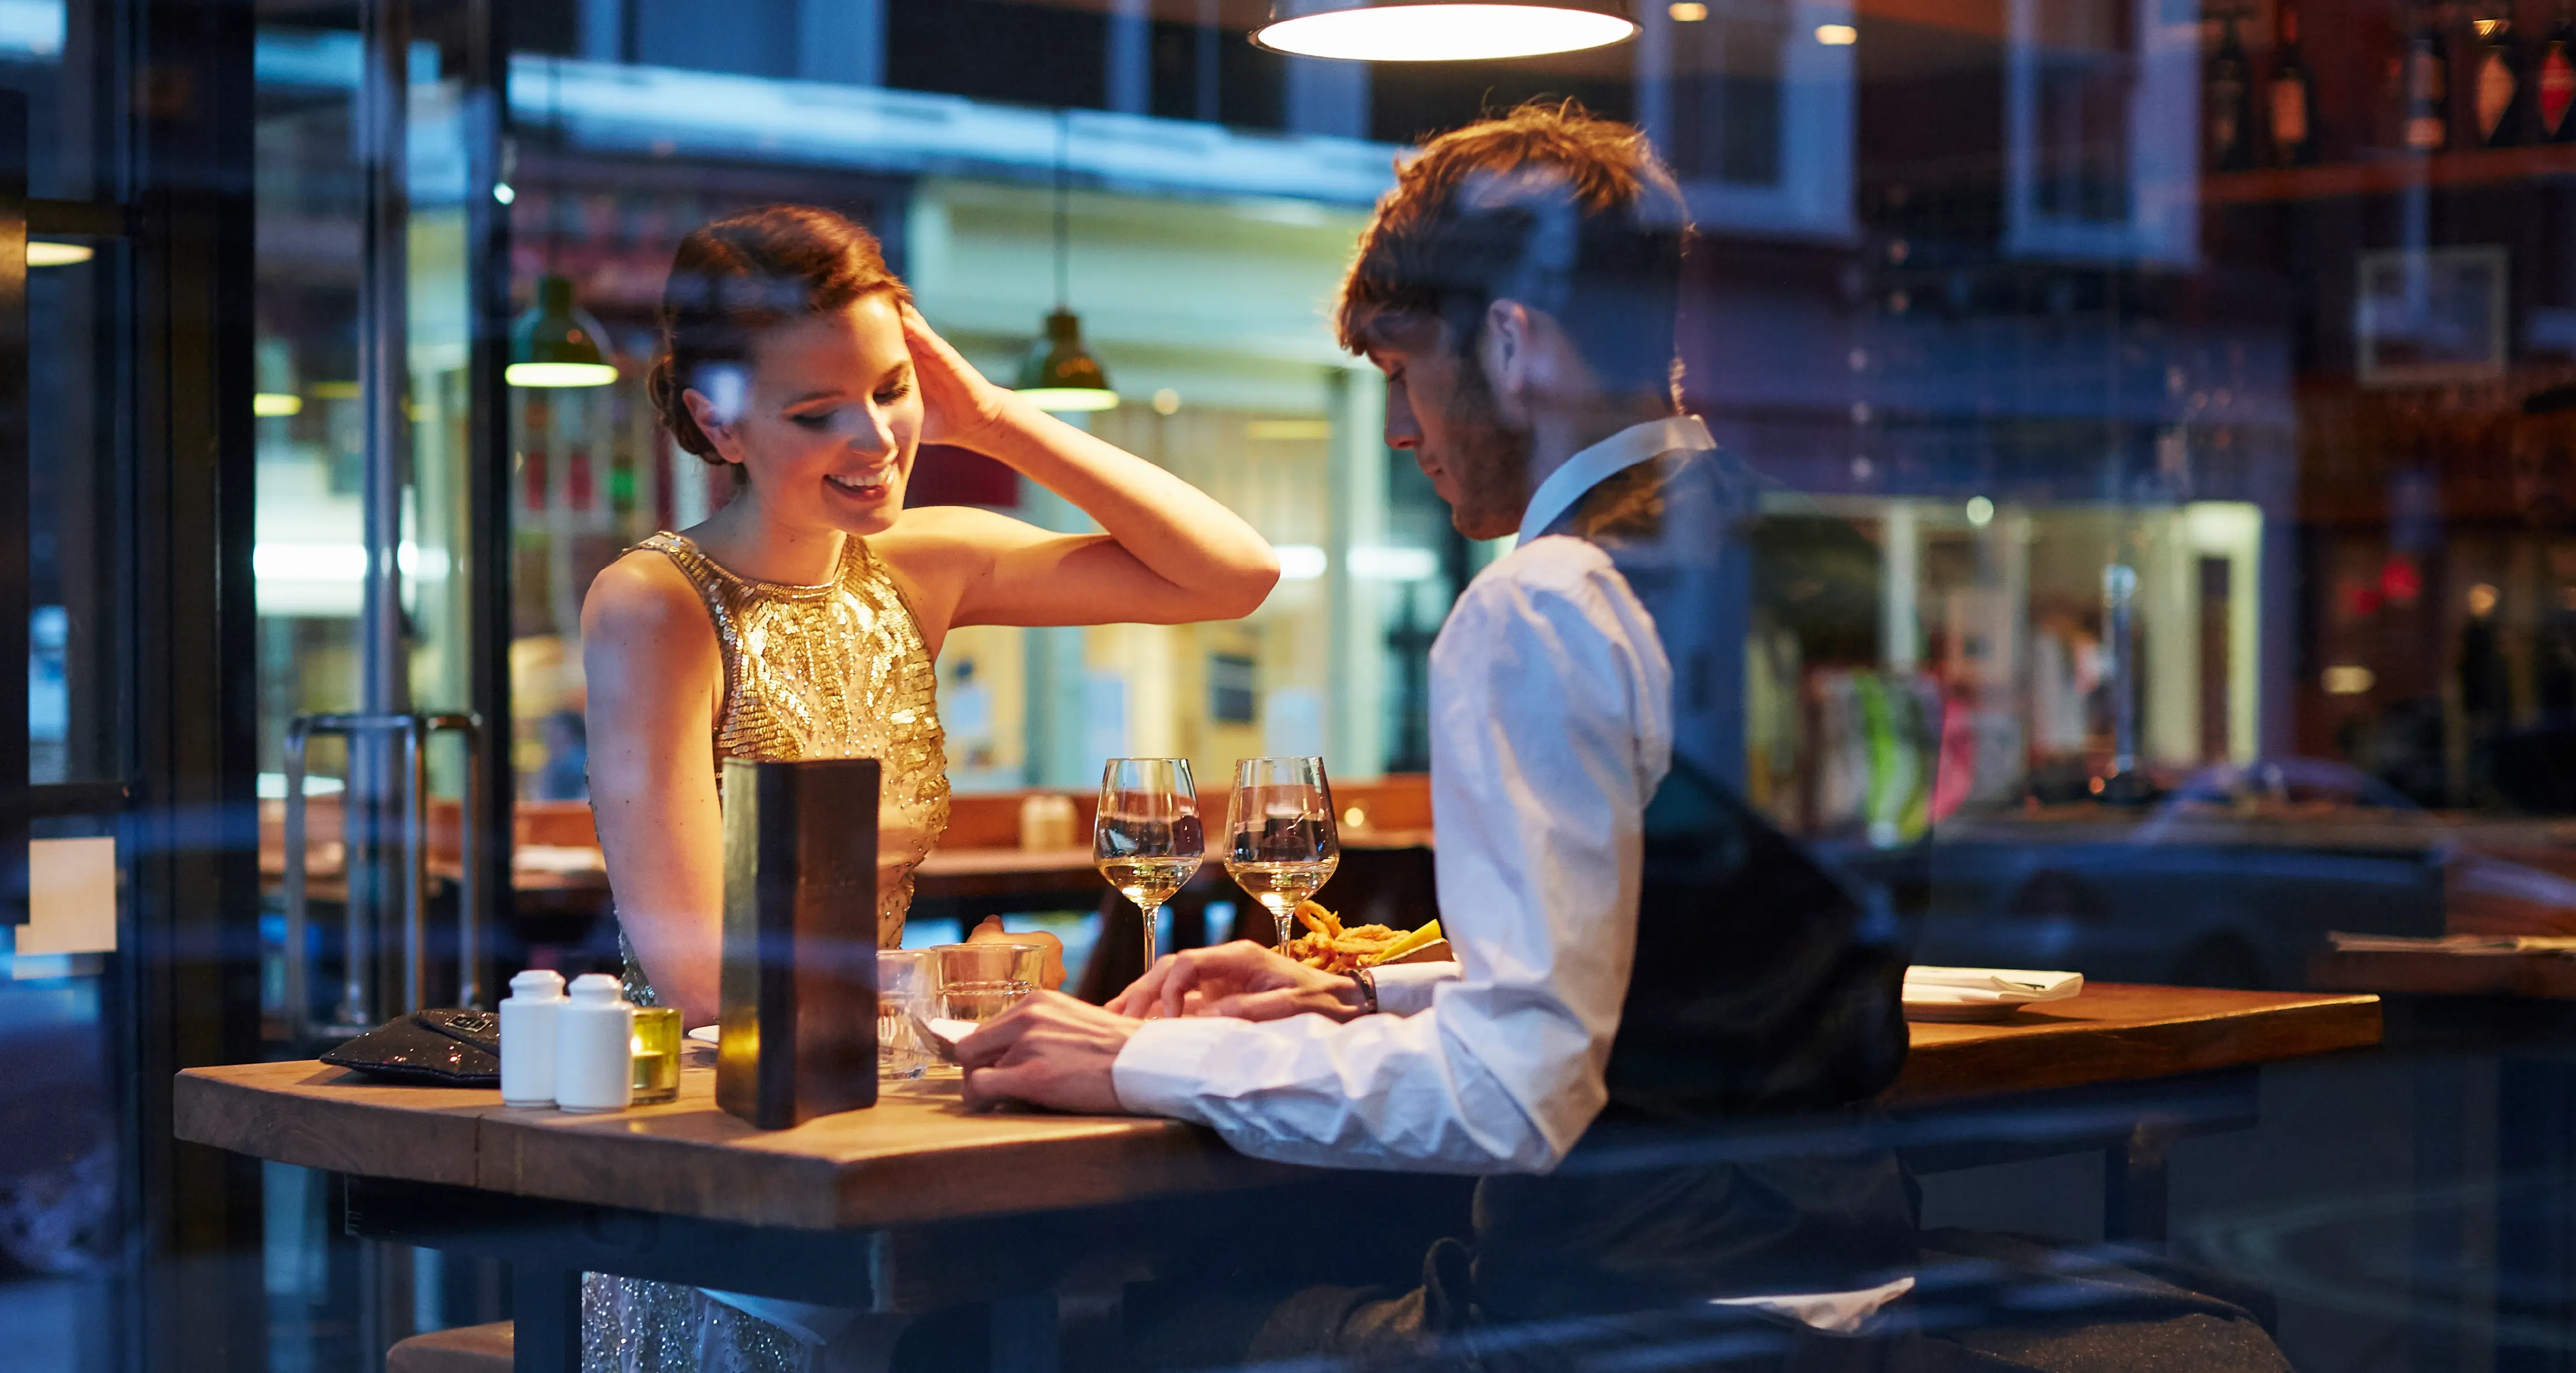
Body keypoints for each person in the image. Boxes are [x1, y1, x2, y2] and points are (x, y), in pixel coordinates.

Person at [950, 102, 2294, 1372]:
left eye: (1407, 371)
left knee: (1144, 1328)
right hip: (1848, 1288)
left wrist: (1138, 1058)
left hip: (1622, 1324)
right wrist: (1368, 992)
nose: (1404, 426)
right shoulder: (1831, 561)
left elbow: (1513, 1095)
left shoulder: (1543, 601)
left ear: (1517, 341)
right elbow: (1725, 958)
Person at [577, 204, 1278, 1370]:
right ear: (716, 420)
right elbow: (703, 970)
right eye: (817, 412)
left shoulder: (914, 566)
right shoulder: (657, 602)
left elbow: (1233, 572)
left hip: (891, 1119)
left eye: (893, 389)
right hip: (728, 1155)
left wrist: (997, 418)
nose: (876, 437)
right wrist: (975, 988)